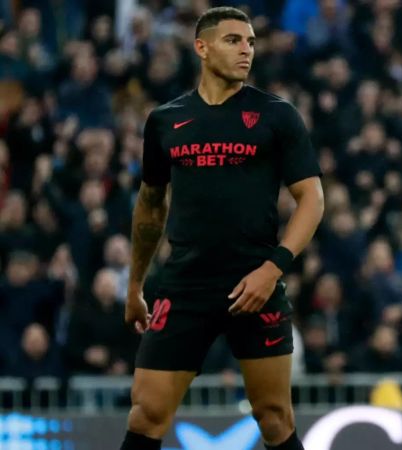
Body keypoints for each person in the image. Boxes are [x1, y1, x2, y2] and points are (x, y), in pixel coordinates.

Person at [120, 7, 324, 450]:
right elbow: (151, 206)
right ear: (202, 47)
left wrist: (273, 268)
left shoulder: (276, 115)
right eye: (233, 40)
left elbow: (312, 199)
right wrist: (136, 285)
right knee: (147, 412)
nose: (246, 50)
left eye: (250, 41)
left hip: (255, 281)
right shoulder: (164, 121)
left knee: (273, 417)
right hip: (185, 284)